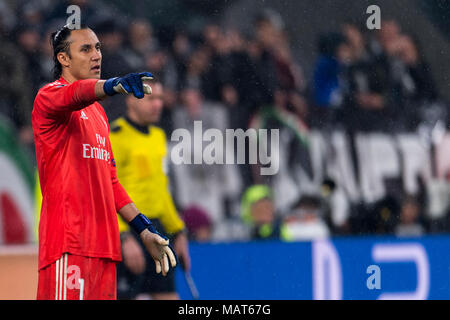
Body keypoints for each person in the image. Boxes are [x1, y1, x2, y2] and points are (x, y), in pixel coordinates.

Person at [32, 25, 176, 300]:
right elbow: (75, 94)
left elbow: (110, 182)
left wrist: (144, 230)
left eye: (97, 47)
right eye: (85, 49)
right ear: (63, 58)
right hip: (69, 244)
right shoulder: (49, 96)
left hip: (105, 249)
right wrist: (114, 85)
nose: (96, 55)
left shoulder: (98, 114)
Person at [110, 81, 190, 300]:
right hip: (129, 230)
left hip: (157, 231)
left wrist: (179, 231)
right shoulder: (115, 136)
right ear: (130, 100)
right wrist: (122, 237)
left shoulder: (158, 136)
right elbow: (106, 192)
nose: (157, 105)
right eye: (150, 98)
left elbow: (161, 190)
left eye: (160, 99)